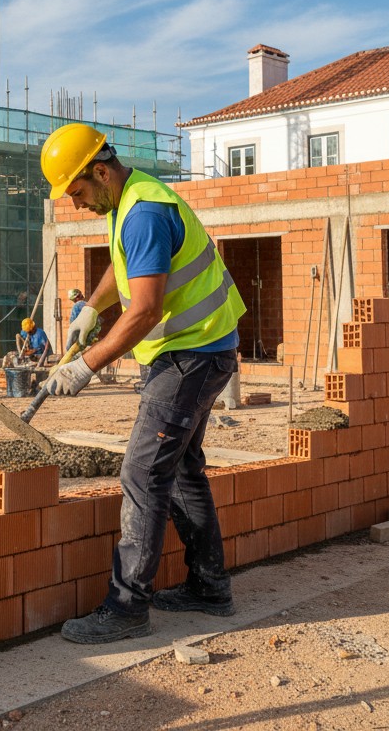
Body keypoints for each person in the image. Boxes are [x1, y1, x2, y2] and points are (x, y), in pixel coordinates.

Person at [39, 123, 245, 644]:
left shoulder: (145, 211)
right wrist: (92, 306)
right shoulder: (128, 199)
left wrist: (86, 365)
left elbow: (147, 309)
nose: (76, 203)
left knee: (142, 471)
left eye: (77, 192)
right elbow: (126, 265)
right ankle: (209, 588)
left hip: (190, 355)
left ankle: (127, 607)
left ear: (100, 171)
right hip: (198, 350)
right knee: (181, 471)